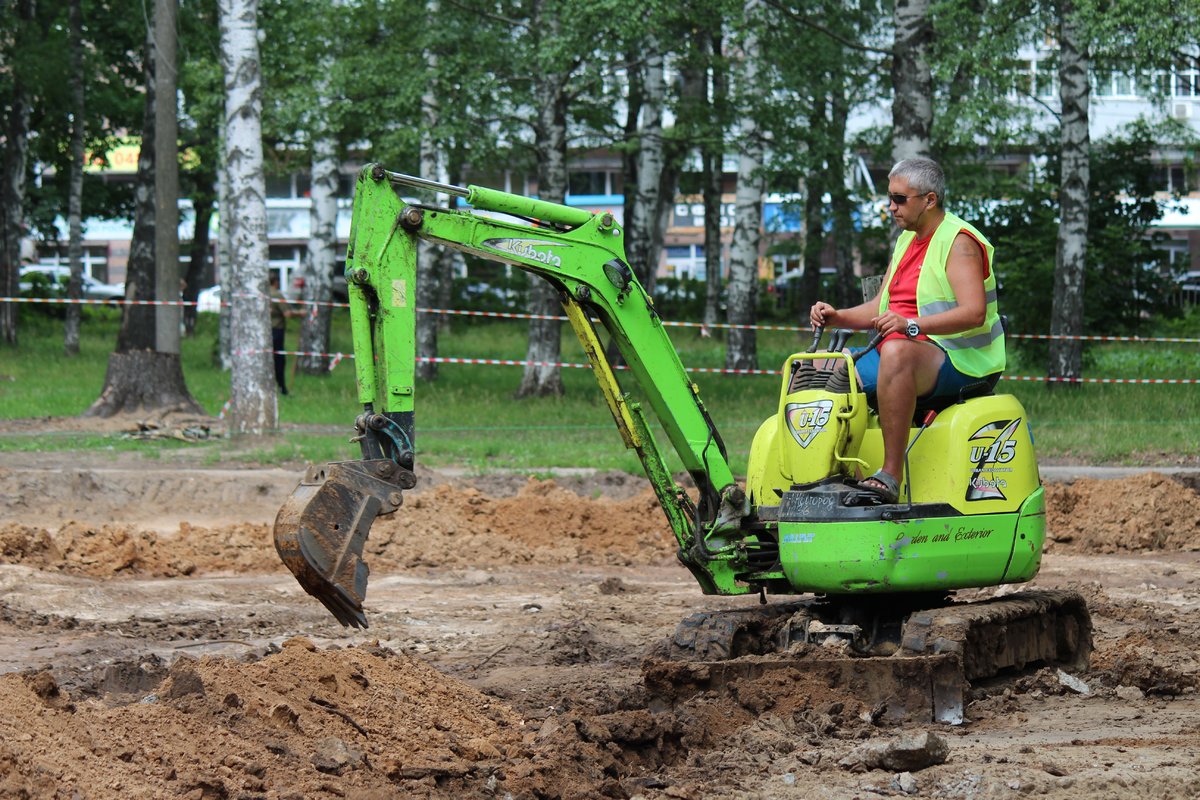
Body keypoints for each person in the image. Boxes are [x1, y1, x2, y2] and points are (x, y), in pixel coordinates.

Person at [809, 157, 1004, 503]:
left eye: (900, 199)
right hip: (908, 348)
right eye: (890, 198)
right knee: (806, 372)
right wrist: (837, 316)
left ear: (929, 200)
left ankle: (889, 475)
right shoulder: (905, 241)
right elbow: (881, 309)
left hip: (961, 361)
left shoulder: (959, 243)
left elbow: (974, 313)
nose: (891, 207)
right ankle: (836, 476)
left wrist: (911, 325)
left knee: (897, 351)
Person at [269, 272, 301, 395]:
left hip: (265, 332)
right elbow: (287, 314)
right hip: (277, 331)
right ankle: (282, 388)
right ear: (276, 282)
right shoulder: (277, 295)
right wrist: (300, 313)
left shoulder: (263, 295)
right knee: (279, 360)